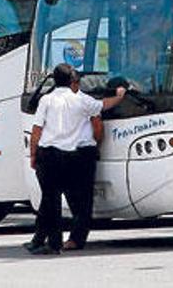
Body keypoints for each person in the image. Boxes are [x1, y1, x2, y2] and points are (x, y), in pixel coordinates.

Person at [25, 63, 126, 255]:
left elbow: (37, 130)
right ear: (73, 81)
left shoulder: (46, 100)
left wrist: (33, 154)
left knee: (51, 200)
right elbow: (104, 106)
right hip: (78, 157)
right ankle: (74, 238)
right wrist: (120, 96)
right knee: (82, 201)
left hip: (50, 155)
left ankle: (53, 243)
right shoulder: (83, 100)